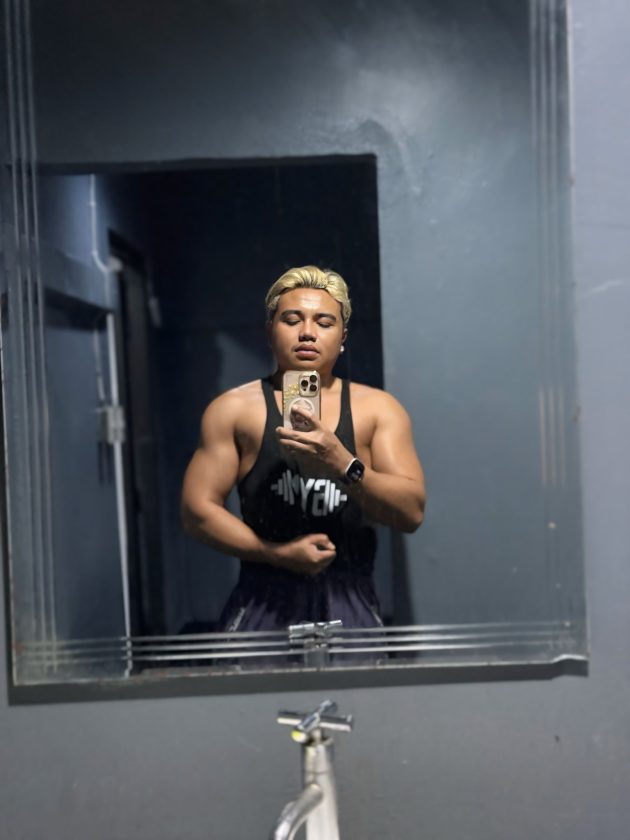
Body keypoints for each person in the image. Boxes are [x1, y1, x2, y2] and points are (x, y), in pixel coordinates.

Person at [180, 265, 425, 631]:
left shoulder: (377, 410)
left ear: (342, 336)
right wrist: (274, 554)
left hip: (350, 595)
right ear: (270, 331)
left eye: (324, 322)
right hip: (262, 598)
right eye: (292, 320)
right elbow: (196, 511)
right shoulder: (233, 410)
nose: (307, 332)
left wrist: (342, 462)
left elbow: (411, 512)